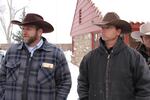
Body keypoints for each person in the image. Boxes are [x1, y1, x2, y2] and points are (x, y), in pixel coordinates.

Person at [77, 12, 150, 100]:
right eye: (102, 27)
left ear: (118, 31)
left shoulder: (134, 58)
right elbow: (82, 85)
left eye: (108, 27)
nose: (103, 30)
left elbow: (144, 89)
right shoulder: (89, 58)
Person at [0, 13, 72, 100]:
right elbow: (2, 76)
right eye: (23, 29)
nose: (24, 32)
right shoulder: (12, 51)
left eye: (29, 29)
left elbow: (65, 82)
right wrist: (4, 96)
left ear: (40, 32)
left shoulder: (55, 53)